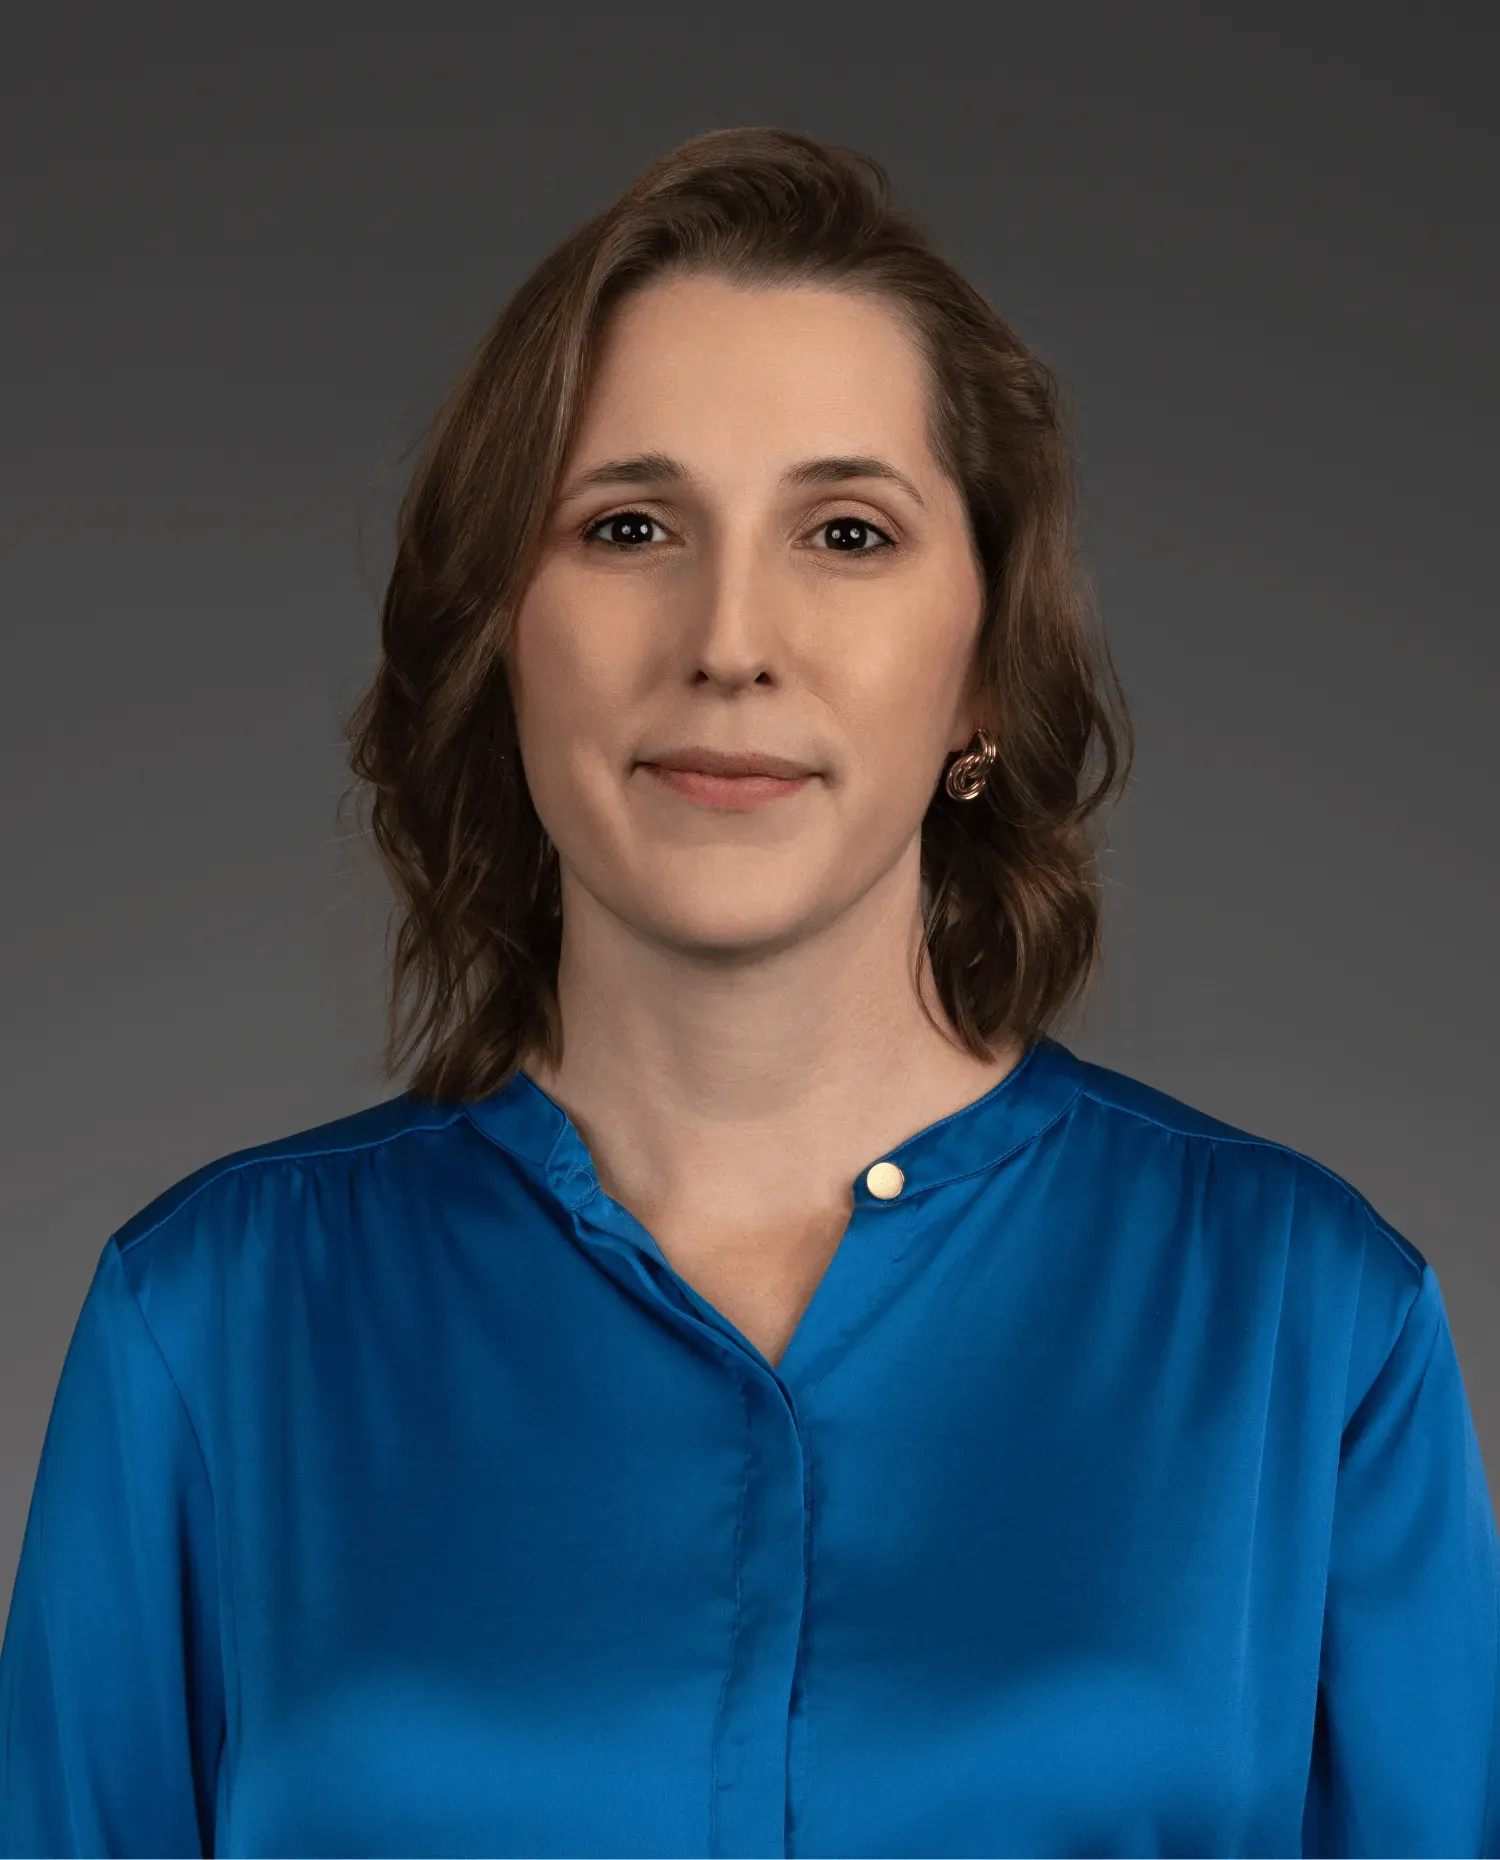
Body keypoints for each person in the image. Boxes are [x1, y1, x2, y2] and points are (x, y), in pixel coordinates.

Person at [1, 125, 1496, 1859]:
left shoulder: (1311, 1327)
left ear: (984, 666)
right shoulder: (207, 1328)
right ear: (502, 636)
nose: (729, 637)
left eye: (846, 532)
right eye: (630, 525)